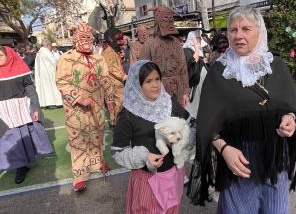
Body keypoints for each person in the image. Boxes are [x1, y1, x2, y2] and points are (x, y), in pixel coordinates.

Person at [187, 6, 296, 213]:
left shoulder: (275, 66)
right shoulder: (220, 72)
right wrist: (224, 149)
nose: (238, 35)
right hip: (238, 158)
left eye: (246, 29)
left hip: (274, 157)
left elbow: (291, 101)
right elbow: (206, 121)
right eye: (233, 30)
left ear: (260, 31)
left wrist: (290, 118)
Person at [111, 60, 194, 214]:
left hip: (173, 174)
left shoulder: (168, 103)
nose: (155, 85)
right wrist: (145, 156)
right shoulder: (128, 115)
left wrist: (183, 141)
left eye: (157, 79)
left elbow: (190, 123)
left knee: (172, 209)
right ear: (137, 84)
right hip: (147, 179)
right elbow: (118, 151)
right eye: (148, 81)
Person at [56, 23, 115, 192]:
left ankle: (97, 163)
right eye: (83, 38)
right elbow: (62, 82)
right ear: (76, 39)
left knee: (98, 134)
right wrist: (78, 97)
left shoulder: (98, 57)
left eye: (89, 38)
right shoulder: (66, 58)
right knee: (79, 140)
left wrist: (110, 99)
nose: (87, 41)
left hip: (97, 105)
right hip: (76, 110)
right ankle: (80, 174)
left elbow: (105, 79)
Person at [0, 45, 53, 184]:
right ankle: (17, 163)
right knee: (8, 140)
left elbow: (31, 91)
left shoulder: (20, 69)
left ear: (9, 56)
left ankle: (22, 166)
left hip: (20, 109)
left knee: (21, 138)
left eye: (0, 55)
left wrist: (35, 108)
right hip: (3, 112)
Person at [139, 6, 189, 106]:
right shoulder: (149, 45)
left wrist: (185, 92)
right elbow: (143, 74)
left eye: (171, 18)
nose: (170, 21)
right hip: (158, 93)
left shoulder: (175, 42)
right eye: (165, 18)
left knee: (177, 119)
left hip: (178, 91)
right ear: (158, 20)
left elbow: (183, 69)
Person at [102, 27, 127, 127]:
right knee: (120, 102)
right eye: (118, 39)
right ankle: (116, 122)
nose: (121, 42)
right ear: (111, 39)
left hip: (116, 82)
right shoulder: (108, 52)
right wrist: (123, 76)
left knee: (116, 103)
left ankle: (114, 121)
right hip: (114, 82)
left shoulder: (113, 50)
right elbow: (111, 68)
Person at [182, 30, 208, 118]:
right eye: (197, 38)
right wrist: (196, 50)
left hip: (201, 80)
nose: (199, 40)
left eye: (199, 38)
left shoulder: (198, 50)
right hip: (194, 82)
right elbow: (191, 64)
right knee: (195, 103)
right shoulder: (186, 50)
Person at [34, 39, 63, 108]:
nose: (51, 48)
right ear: (47, 45)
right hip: (50, 73)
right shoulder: (46, 52)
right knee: (51, 87)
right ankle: (53, 102)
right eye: (50, 46)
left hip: (42, 74)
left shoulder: (39, 53)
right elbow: (54, 62)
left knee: (45, 89)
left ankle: (47, 103)